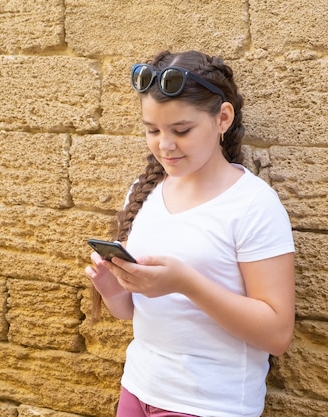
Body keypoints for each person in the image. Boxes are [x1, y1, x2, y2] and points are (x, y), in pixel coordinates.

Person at [85, 50, 295, 417]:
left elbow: (277, 335)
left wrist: (186, 283)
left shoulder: (253, 205)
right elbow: (139, 314)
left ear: (222, 118)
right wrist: (116, 289)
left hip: (208, 403)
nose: (164, 145)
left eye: (181, 130)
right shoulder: (145, 189)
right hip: (138, 388)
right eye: (152, 130)